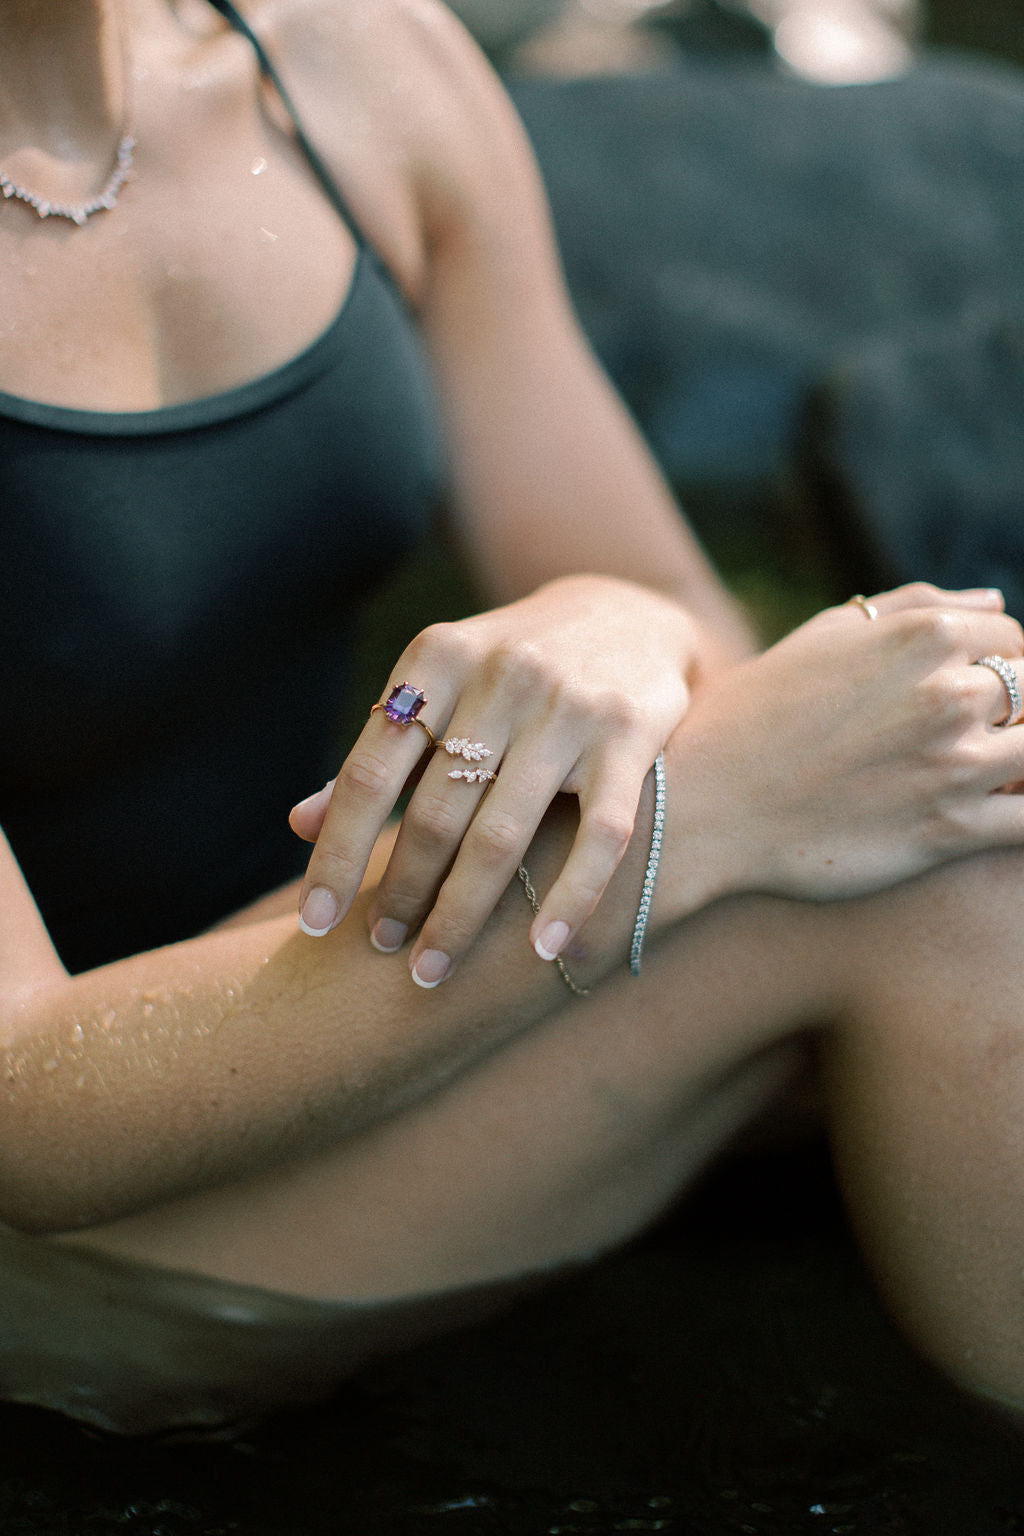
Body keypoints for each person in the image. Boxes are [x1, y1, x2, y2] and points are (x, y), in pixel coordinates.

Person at [2, 0, 1024, 1437]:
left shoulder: (353, 65)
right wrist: (705, 812)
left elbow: (692, 619)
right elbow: (23, 1109)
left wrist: (610, 614)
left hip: (346, 984)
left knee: (949, 772)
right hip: (74, 1230)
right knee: (935, 874)